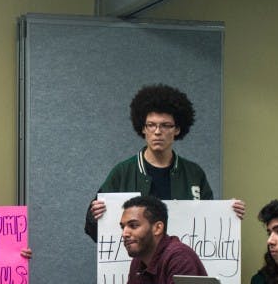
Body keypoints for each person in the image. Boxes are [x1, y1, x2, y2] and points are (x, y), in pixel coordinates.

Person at [85, 84, 245, 242]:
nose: (157, 131)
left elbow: (208, 226)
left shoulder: (194, 173)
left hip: (180, 265)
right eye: (151, 125)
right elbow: (94, 230)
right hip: (135, 266)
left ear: (177, 129)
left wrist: (229, 214)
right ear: (143, 128)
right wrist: (95, 216)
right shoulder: (122, 172)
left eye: (166, 125)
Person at [113, 195, 206, 284]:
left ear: (157, 228)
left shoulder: (180, 258)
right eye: (123, 227)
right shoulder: (138, 261)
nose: (125, 233)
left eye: (133, 226)